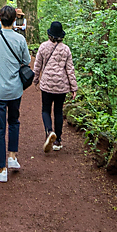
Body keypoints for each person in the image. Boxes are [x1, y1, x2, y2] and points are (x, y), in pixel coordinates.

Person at [0, 4, 31, 182]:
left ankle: (2, 169)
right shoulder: (20, 40)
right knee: (14, 122)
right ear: (14, 20)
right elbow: (26, 60)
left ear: (0, 20)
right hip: (16, 89)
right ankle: (13, 157)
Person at [33, 20, 77, 153]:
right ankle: (57, 141)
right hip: (61, 86)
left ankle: (49, 131)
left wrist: (35, 80)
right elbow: (70, 69)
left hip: (47, 84)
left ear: (50, 34)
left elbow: (37, 65)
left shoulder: (43, 47)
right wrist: (73, 87)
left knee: (45, 110)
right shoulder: (66, 49)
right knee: (58, 111)